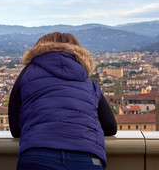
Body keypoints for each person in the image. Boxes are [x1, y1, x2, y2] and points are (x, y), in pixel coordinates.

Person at [9, 32, 117, 170]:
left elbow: (15, 126)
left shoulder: (27, 74)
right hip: (86, 156)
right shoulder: (86, 80)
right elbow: (110, 125)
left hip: (37, 154)